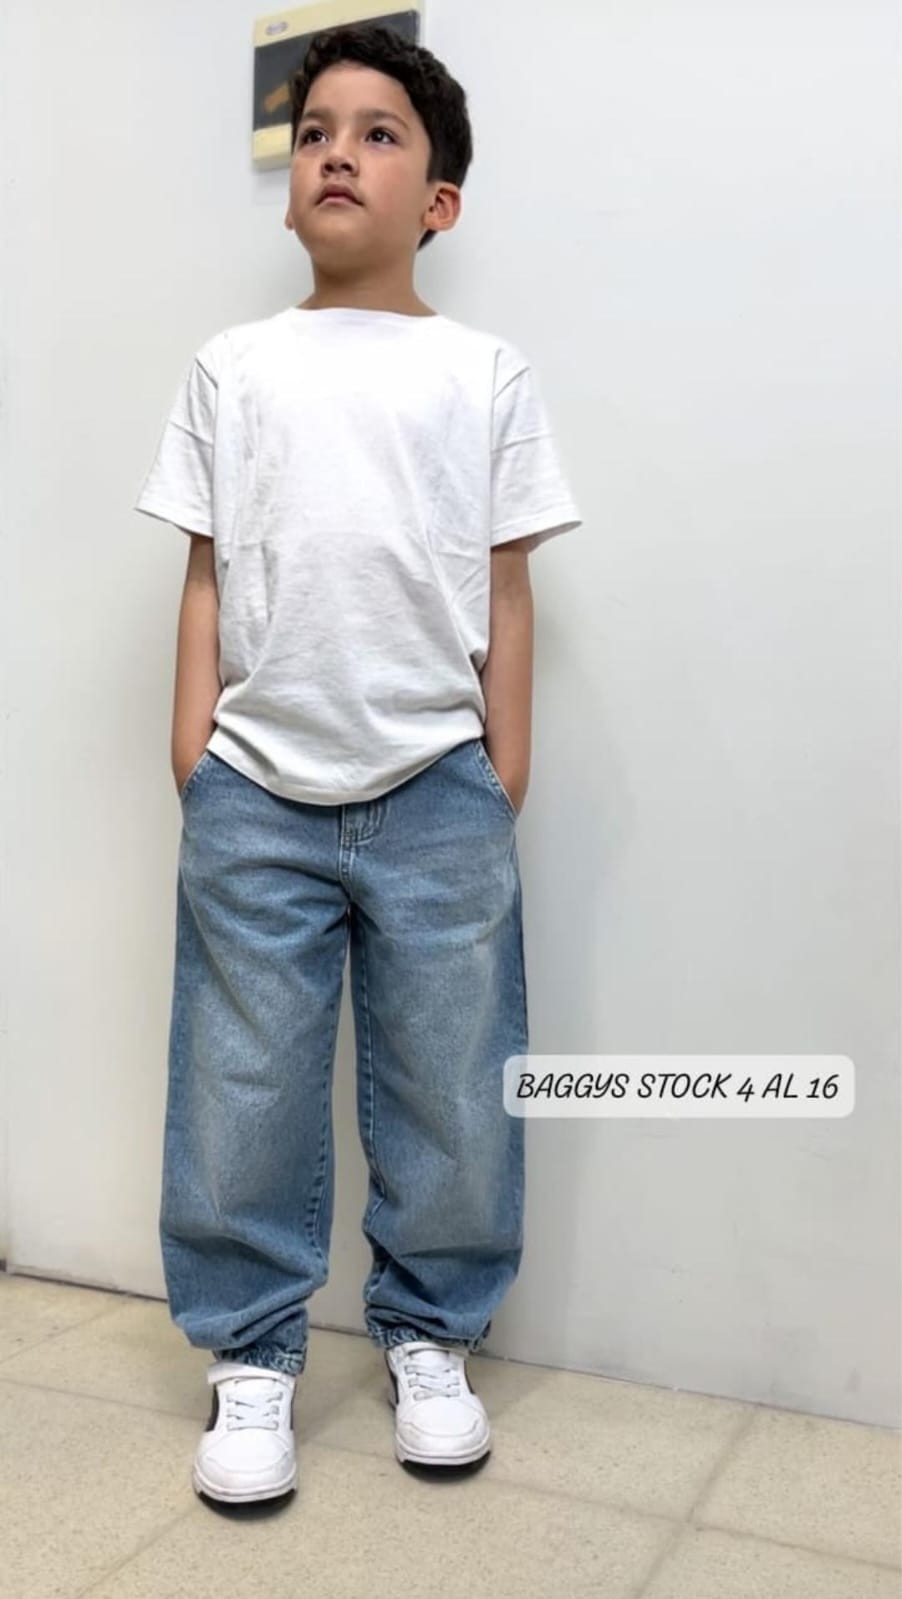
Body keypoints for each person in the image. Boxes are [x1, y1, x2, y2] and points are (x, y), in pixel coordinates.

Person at [134, 21, 582, 1507]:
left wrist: (502, 764)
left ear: (438, 200)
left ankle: (432, 1336)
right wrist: (194, 749)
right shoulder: (233, 366)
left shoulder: (484, 371)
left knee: (452, 1082)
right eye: (316, 131)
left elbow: (506, 584)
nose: (338, 152)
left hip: (439, 785)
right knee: (240, 1082)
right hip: (253, 784)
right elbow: (205, 573)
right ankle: (251, 1355)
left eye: (379, 133)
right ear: (288, 191)